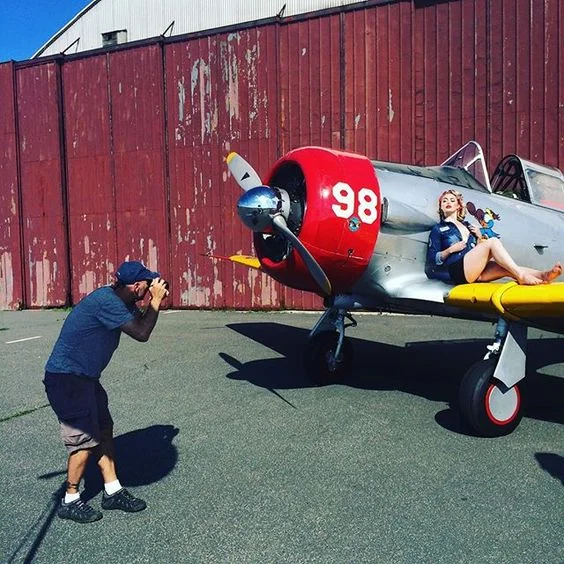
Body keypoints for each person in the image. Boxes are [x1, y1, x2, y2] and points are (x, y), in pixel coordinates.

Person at [43, 260, 169, 523]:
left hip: (86, 378)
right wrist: (154, 301)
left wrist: (153, 301)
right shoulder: (106, 302)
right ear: (136, 286)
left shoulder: (123, 301)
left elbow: (141, 321)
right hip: (67, 379)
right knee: (83, 441)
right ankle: (70, 499)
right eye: (147, 284)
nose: (149, 288)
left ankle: (112, 491)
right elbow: (142, 333)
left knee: (103, 429)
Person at [426, 189, 562, 285]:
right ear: (441, 207)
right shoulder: (438, 229)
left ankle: (543, 276)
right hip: (456, 271)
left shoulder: (468, 226)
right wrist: (450, 250)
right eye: (444, 201)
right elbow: (432, 260)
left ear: (458, 205)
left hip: (473, 271)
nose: (448, 202)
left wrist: (479, 237)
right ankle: (521, 276)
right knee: (493, 242)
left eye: (452, 200)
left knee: (504, 267)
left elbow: (476, 253)